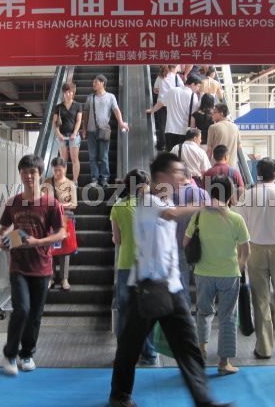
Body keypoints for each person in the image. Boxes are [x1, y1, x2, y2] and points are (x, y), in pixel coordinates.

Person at [107, 153, 233, 407]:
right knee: (130, 346)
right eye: (177, 172)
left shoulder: (162, 201)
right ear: (162, 176)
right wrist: (207, 204)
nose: (181, 178)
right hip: (148, 288)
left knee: (188, 347)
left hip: (171, 288)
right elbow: (172, 214)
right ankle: (119, 396)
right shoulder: (148, 201)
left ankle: (204, 400)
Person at [0, 154, 66, 376]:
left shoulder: (51, 204)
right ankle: (9, 354)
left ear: (40, 174)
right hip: (18, 266)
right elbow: (2, 231)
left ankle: (27, 353)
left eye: (33, 172)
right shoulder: (13, 202)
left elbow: (61, 234)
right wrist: (2, 241)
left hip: (42, 267)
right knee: (22, 309)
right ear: (20, 174)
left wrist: (37, 242)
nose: (28, 176)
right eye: (24, 172)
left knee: (35, 314)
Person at [234, 158, 275, 360]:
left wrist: (241, 256)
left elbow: (240, 229)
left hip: (255, 250)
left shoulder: (246, 197)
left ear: (258, 174)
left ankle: (263, 348)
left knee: (260, 300)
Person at [184, 176, 250, 376]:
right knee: (228, 317)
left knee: (203, 312)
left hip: (203, 273)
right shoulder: (236, 219)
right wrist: (240, 265)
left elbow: (185, 243)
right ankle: (224, 362)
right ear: (230, 195)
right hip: (229, 274)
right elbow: (245, 250)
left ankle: (201, 350)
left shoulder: (198, 216)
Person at [110, 169, 158, 366]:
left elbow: (117, 239)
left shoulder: (118, 207)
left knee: (125, 312)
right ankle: (149, 353)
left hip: (126, 265)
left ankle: (124, 354)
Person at [82, 74, 130, 188]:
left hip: (104, 130)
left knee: (103, 155)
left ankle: (104, 178)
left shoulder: (110, 97)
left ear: (102, 83)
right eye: (93, 82)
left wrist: (121, 123)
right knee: (92, 156)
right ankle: (94, 178)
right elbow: (86, 113)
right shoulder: (90, 97)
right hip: (91, 131)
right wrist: (84, 128)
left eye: (96, 82)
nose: (93, 84)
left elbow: (116, 110)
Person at [173, 166, 209, 304]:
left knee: (182, 281)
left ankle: (186, 310)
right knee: (202, 279)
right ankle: (203, 309)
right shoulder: (203, 193)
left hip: (178, 243)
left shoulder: (172, 195)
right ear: (190, 177)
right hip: (201, 244)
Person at [41, 157, 78, 291]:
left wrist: (60, 205)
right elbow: (41, 200)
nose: (57, 173)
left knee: (65, 249)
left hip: (65, 219)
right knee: (49, 248)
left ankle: (64, 279)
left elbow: (74, 204)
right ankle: (50, 278)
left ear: (65, 169)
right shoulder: (47, 182)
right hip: (50, 219)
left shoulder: (70, 184)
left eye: (60, 170)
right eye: (55, 170)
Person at [147, 74, 201, 152]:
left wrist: (152, 111)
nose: (198, 89)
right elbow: (193, 115)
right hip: (184, 131)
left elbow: (160, 103)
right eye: (198, 86)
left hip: (170, 129)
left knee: (170, 154)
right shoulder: (193, 96)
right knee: (180, 155)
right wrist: (192, 131)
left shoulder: (172, 90)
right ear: (192, 84)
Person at [52, 82, 82, 185]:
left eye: (70, 91)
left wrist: (74, 133)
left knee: (74, 158)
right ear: (63, 93)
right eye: (66, 92)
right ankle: (62, 180)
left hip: (74, 136)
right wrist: (58, 134)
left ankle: (75, 181)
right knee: (63, 159)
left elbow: (78, 120)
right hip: (62, 136)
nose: (68, 94)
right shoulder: (59, 107)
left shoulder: (78, 105)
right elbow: (54, 122)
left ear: (73, 93)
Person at [206, 103, 241, 167]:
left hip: (217, 166)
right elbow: (239, 146)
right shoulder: (235, 127)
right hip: (231, 166)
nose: (212, 114)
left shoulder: (213, 127)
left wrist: (206, 166)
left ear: (221, 114)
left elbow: (209, 150)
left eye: (214, 112)